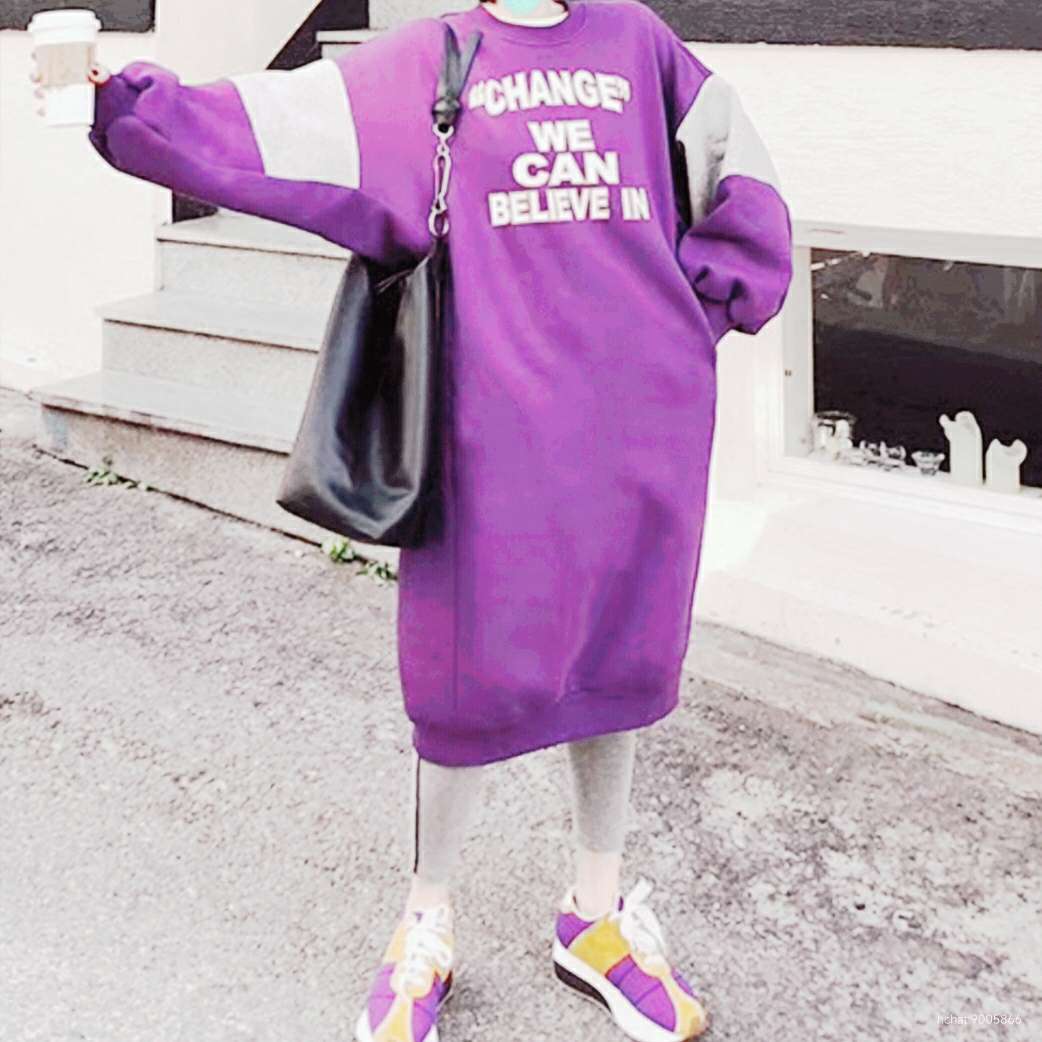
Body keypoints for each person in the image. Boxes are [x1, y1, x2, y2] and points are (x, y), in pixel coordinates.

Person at [31, 0, 792, 1038]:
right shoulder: (429, 59)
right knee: (463, 685)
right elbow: (264, 123)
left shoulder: (639, 44)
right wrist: (122, 106)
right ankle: (425, 920)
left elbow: (746, 187)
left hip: (639, 433)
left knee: (624, 665)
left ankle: (598, 914)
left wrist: (689, 322)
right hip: (490, 444)